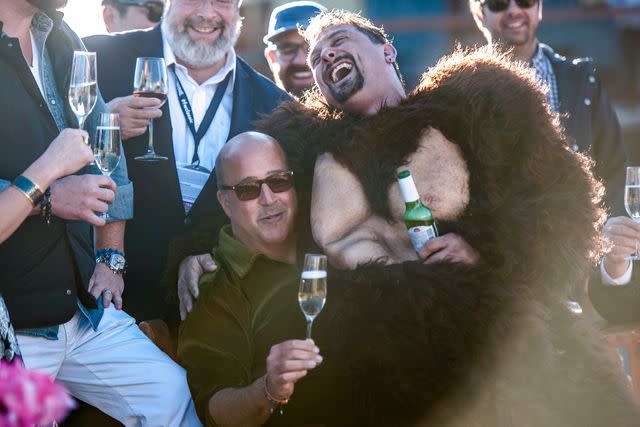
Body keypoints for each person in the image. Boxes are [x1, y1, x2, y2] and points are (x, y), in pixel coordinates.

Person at [253, 10, 639, 425]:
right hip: (365, 365)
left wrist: (488, 253)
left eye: (339, 41)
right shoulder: (297, 147)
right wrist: (194, 255)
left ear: (386, 50)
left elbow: (561, 201)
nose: (326, 56)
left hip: (482, 340)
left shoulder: (470, 105)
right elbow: (234, 194)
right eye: (316, 59)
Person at [0, 1, 200, 425]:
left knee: (170, 395)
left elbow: (106, 154)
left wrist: (111, 258)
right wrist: (49, 195)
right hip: (12, 330)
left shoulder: (61, 36)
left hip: (82, 312)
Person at [84, 0, 290, 322]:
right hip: (101, 303)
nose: (207, 13)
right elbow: (40, 146)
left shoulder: (274, 104)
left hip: (210, 314)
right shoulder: (95, 57)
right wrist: (101, 124)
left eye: (222, 1)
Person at [178, 131, 326, 426]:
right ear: (225, 202)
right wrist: (269, 389)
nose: (269, 198)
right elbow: (213, 410)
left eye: (279, 181)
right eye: (248, 189)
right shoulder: (215, 288)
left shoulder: (328, 234)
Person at [468, 0, 627, 215]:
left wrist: (611, 229)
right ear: (479, 15)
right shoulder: (464, 90)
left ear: (539, 8)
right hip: (498, 242)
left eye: (525, 1)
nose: (514, 11)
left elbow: (614, 170)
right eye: (499, 3)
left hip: (580, 239)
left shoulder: (582, 80)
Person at [263, 1, 327, 97]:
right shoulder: (252, 110)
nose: (301, 61)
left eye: (311, 48)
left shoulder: (355, 110)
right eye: (288, 50)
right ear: (272, 58)